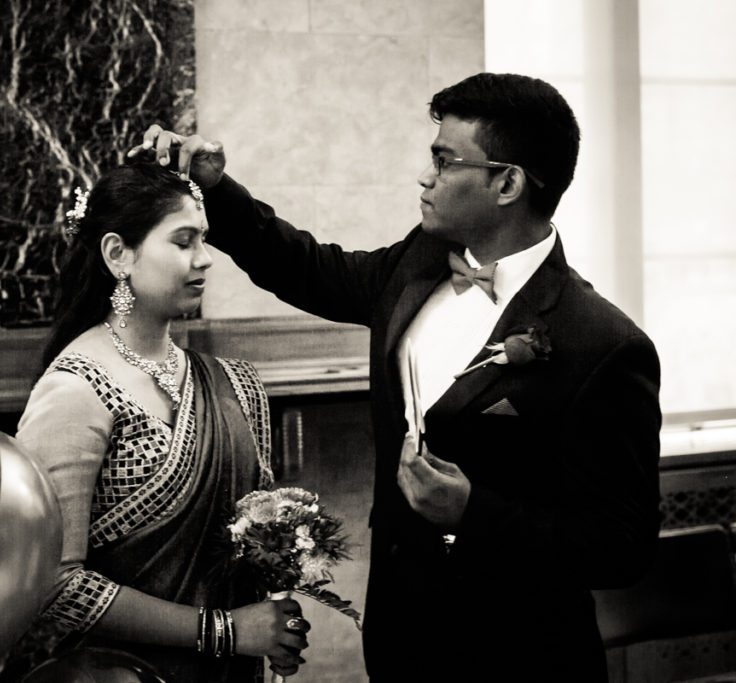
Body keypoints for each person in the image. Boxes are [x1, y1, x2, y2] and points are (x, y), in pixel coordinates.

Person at [129, 72, 662, 682]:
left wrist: (475, 512)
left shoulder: (605, 346)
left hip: (522, 657)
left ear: (508, 182)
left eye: (443, 159)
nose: (424, 175)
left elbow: (622, 547)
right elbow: (309, 269)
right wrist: (216, 192)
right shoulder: (419, 262)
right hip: (401, 643)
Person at [0, 160, 310, 682]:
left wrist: (274, 619)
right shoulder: (75, 390)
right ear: (118, 254)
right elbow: (53, 587)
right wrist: (225, 630)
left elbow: (256, 544)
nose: (205, 259)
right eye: (183, 242)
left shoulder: (234, 383)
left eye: (204, 240)